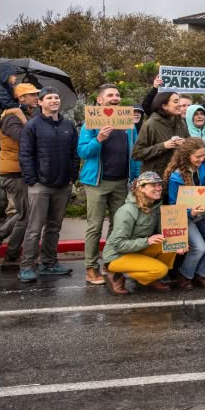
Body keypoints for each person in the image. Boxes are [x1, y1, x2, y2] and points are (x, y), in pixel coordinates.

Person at [77, 83, 141, 285]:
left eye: (118, 95)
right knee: (94, 226)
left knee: (118, 226)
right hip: (97, 183)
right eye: (111, 95)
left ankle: (110, 263)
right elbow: (83, 152)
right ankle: (90, 268)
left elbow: (135, 154)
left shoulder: (127, 123)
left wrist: (136, 177)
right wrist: (99, 138)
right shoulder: (91, 123)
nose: (115, 98)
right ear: (100, 100)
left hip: (122, 182)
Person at [17, 88, 79, 282]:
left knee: (54, 227)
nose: (54, 100)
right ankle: (26, 266)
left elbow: (74, 154)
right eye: (49, 98)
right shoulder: (32, 126)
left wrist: (72, 176)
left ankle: (49, 263)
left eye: (57, 97)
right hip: (40, 186)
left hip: (63, 184)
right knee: (34, 228)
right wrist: (32, 180)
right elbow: (25, 155)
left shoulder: (68, 125)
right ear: (40, 103)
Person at [103, 171, 185, 295]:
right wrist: (147, 241)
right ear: (141, 188)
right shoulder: (127, 211)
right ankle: (117, 274)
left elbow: (162, 231)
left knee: (170, 245)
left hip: (138, 249)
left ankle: (150, 276)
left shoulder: (155, 205)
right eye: (153, 185)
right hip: (117, 255)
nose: (158, 189)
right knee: (161, 270)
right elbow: (118, 244)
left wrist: (179, 243)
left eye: (159, 185)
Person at [164, 138, 205, 289]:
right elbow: (173, 205)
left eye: (203, 155)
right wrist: (191, 212)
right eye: (198, 156)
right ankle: (185, 275)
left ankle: (201, 274)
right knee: (199, 247)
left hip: (204, 211)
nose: (201, 159)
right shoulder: (176, 177)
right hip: (185, 214)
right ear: (186, 156)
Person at [0, 82, 41, 267]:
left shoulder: (25, 114)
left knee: (25, 213)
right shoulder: (11, 116)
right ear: (21, 98)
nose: (36, 97)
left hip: (20, 170)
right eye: (32, 94)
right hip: (13, 172)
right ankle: (10, 250)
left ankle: (12, 252)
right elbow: (24, 138)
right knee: (25, 214)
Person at [132, 91, 191, 181]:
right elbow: (137, 154)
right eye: (175, 101)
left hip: (177, 177)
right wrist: (163, 146)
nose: (179, 104)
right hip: (156, 180)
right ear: (164, 106)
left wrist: (185, 143)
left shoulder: (181, 122)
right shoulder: (150, 124)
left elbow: (190, 144)